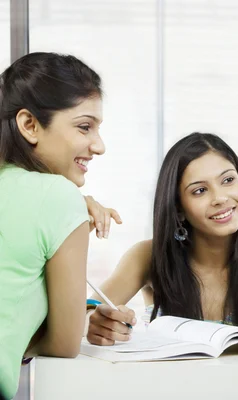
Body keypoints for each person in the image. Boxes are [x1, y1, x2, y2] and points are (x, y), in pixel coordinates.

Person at [86, 133, 238, 345]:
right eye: (200, 191)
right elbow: (89, 310)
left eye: (228, 180)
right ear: (178, 208)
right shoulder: (149, 257)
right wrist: (95, 323)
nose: (220, 198)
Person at [0, 52, 106, 400]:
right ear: (29, 124)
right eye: (84, 126)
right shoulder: (59, 197)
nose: (99, 146)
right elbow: (64, 344)